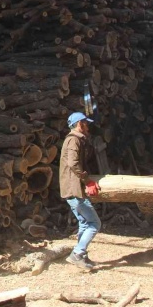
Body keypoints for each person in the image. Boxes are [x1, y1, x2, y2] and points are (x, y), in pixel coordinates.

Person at [59, 112, 101, 270]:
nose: (88, 126)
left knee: (84, 223)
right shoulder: (73, 140)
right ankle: (77, 254)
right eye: (85, 123)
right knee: (94, 223)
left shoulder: (77, 140)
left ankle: (81, 256)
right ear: (79, 124)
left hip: (73, 188)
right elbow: (73, 163)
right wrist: (87, 180)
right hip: (73, 189)